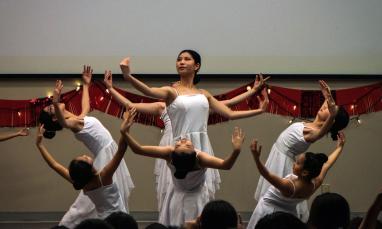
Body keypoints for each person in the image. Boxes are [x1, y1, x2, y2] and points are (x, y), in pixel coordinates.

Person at [103, 69, 268, 213]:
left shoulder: (199, 101)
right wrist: (111, 87)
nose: (176, 84)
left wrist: (253, 92)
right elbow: (131, 104)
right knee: (171, 186)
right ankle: (173, 214)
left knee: (199, 185)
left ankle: (199, 214)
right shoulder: (163, 105)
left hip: (196, 142)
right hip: (173, 142)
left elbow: (229, 105)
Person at [39, 66, 134, 228]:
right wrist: (54, 101)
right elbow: (63, 122)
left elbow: (85, 106)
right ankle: (70, 224)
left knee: (102, 196)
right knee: (91, 200)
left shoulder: (78, 118)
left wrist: (85, 85)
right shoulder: (71, 124)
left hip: (107, 151)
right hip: (105, 155)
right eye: (51, 109)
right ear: (54, 118)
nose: (54, 106)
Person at [121, 118, 245, 226]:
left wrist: (124, 132)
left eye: (179, 144)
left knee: (175, 222)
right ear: (194, 153)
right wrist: (236, 150)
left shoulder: (170, 154)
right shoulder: (200, 159)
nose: (182, 140)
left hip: (177, 197)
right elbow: (226, 165)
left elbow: (139, 149)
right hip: (197, 199)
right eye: (184, 145)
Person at [255, 80, 349, 221]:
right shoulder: (310, 124)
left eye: (328, 108)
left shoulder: (315, 132)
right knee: (276, 195)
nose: (324, 106)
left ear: (332, 119)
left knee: (277, 196)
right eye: (324, 104)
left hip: (283, 161)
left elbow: (321, 132)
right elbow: (327, 164)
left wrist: (332, 112)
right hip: (278, 155)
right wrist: (327, 98)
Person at [36, 108, 135, 223]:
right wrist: (125, 128)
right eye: (84, 158)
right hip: (119, 220)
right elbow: (121, 149)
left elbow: (54, 165)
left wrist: (40, 145)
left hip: (104, 221)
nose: (84, 155)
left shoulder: (83, 183)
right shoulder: (104, 176)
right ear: (91, 169)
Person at [247, 132, 346, 228]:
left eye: (298, 163)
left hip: (269, 212)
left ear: (304, 172)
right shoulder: (315, 183)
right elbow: (327, 164)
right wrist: (339, 148)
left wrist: (256, 158)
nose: (294, 163)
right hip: (289, 216)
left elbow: (266, 174)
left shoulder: (289, 186)